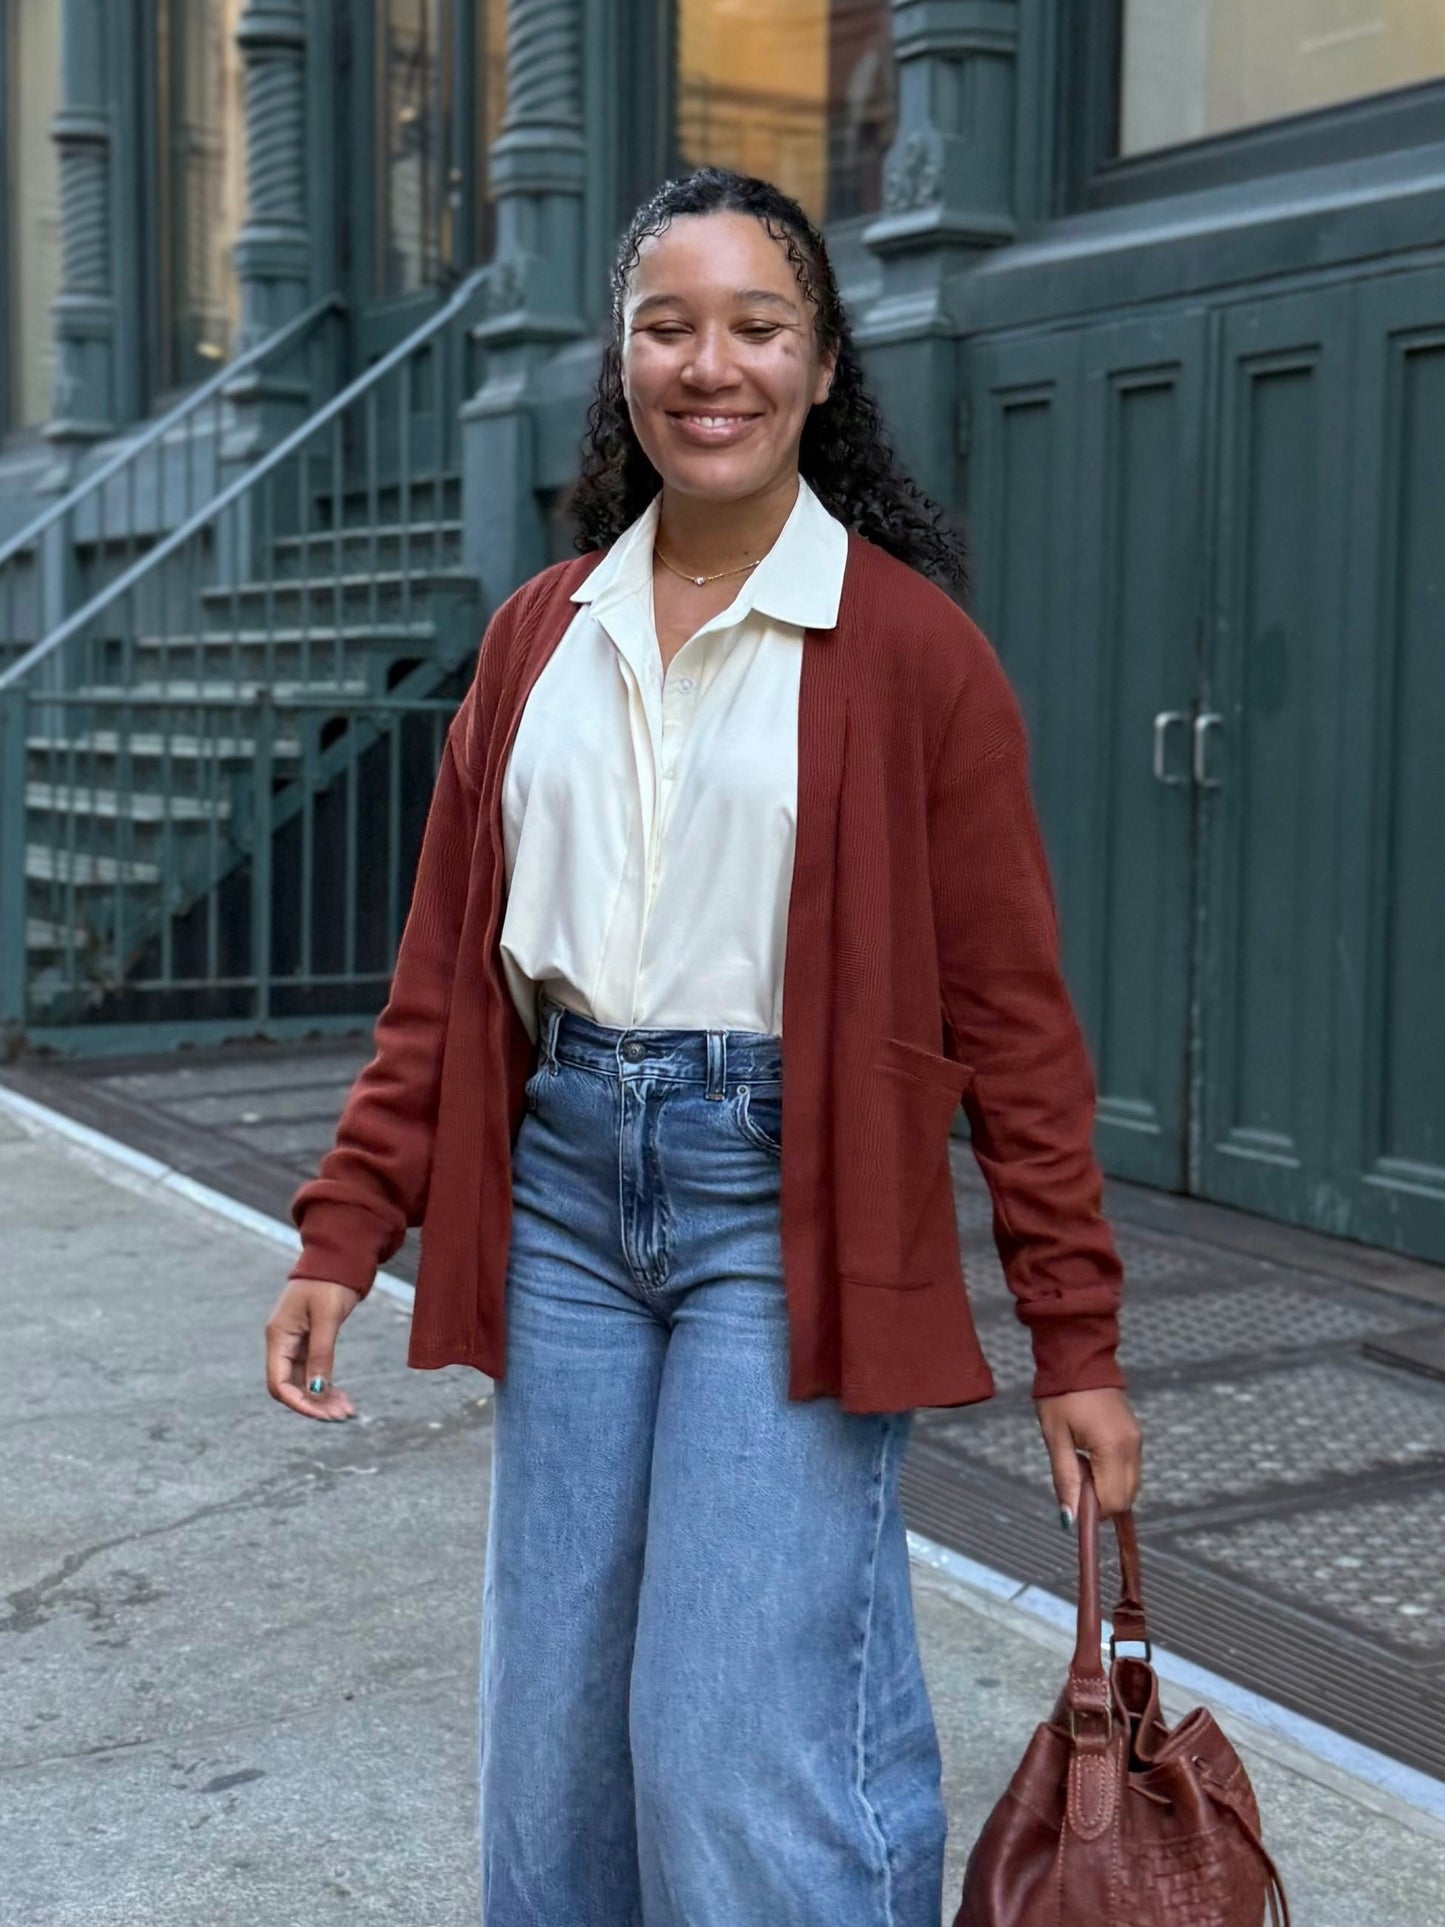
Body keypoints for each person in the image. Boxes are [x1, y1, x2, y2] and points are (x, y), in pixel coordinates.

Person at [264, 166, 1143, 1927]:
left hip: (787, 1204)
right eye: (668, 324)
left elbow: (1017, 1028)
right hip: (569, 1191)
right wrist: (343, 1227)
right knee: (558, 1731)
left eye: (756, 325)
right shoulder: (539, 637)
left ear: (821, 369)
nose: (708, 362)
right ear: (622, 358)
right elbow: (449, 976)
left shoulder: (912, 657)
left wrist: (1075, 1336)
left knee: (732, 1729)